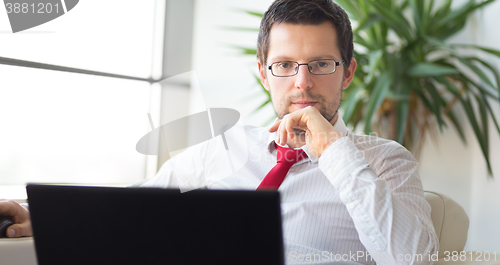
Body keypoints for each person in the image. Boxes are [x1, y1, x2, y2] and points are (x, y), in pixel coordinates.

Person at [0, 0, 438, 264]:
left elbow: (415, 258)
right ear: (265, 75)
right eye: (284, 65)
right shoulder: (225, 148)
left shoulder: (386, 160)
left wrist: (333, 151)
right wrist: (36, 216)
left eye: (321, 64)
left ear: (348, 74)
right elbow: (135, 206)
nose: (302, 82)